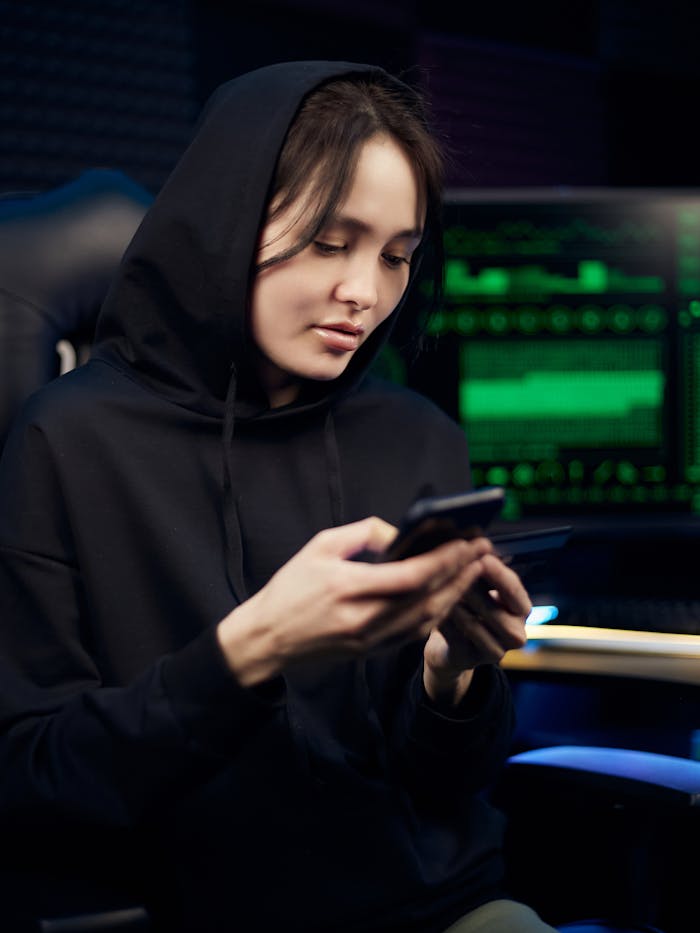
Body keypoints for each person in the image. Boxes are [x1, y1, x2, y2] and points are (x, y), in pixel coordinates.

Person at [0, 61, 558, 933]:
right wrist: (252, 646)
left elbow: (450, 790)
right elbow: (33, 782)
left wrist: (454, 679)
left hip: (440, 908)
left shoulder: (418, 435)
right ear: (227, 222)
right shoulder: (64, 441)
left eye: (397, 257)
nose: (364, 294)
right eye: (331, 243)